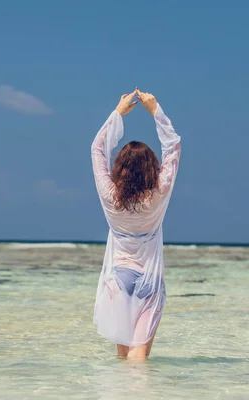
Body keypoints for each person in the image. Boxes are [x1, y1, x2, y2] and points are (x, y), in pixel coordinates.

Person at [91, 88, 181, 360]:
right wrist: (156, 112)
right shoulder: (158, 194)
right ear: (153, 169)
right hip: (149, 280)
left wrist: (117, 113)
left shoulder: (110, 196)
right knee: (140, 355)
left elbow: (97, 149)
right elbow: (173, 147)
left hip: (119, 276)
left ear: (119, 168)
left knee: (124, 355)